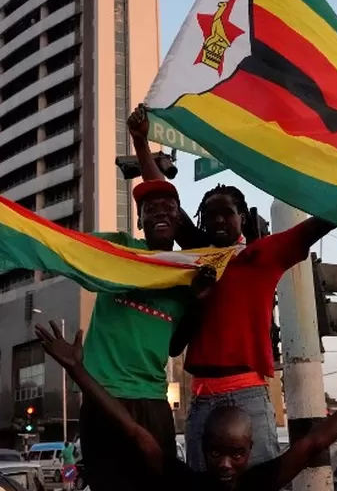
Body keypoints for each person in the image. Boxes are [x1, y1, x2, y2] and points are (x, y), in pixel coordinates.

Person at [128, 105, 337, 469]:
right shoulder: (199, 257)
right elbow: (161, 200)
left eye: (226, 212)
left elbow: (318, 224)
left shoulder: (262, 255)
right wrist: (141, 142)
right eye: (209, 214)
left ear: (242, 217)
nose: (218, 220)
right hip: (200, 396)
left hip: (249, 397)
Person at [35, 320, 337, 491]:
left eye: (236, 454)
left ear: (250, 450)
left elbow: (314, 443)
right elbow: (132, 429)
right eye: (215, 453)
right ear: (203, 450)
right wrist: (77, 371)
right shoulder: (184, 481)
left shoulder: (260, 481)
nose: (224, 464)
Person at [78, 177, 217, 491]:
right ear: (139, 220)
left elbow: (175, 346)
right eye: (150, 209)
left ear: (178, 218)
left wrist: (199, 300)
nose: (160, 214)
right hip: (104, 395)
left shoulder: (187, 275)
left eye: (169, 208)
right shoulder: (120, 249)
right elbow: (73, 249)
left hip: (153, 402)